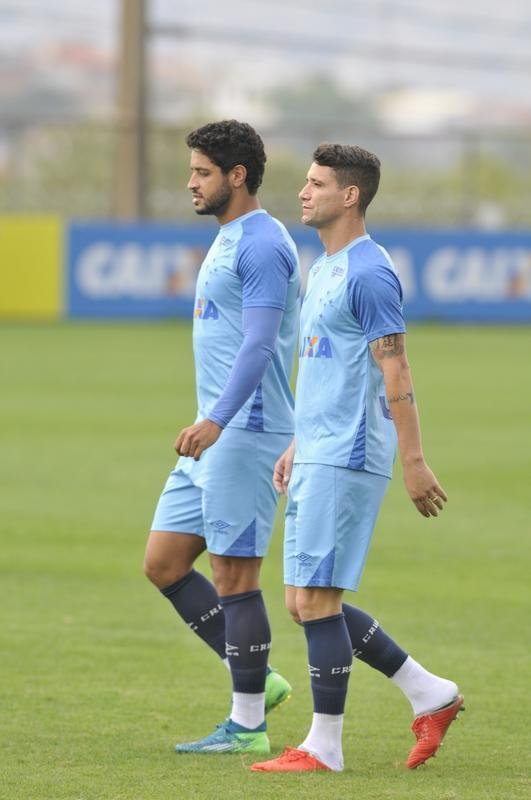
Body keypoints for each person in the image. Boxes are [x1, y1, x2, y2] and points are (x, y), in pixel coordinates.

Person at [251, 143, 463, 774]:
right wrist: (298, 442)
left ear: (350, 195)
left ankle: (325, 746)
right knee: (303, 602)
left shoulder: (370, 273)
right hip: (318, 449)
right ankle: (431, 693)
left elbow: (394, 368)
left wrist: (415, 459)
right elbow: (327, 367)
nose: (303, 192)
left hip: (349, 454)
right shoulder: (326, 267)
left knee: (317, 600)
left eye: (316, 183)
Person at [144, 120, 300, 755]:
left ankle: (248, 724)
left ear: (237, 176)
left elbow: (261, 343)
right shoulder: (230, 235)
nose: (191, 183)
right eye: (191, 171)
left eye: (202, 172)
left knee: (235, 575)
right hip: (214, 434)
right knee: (164, 562)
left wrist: (218, 420)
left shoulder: (262, 245)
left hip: (245, 431)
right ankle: (259, 678)